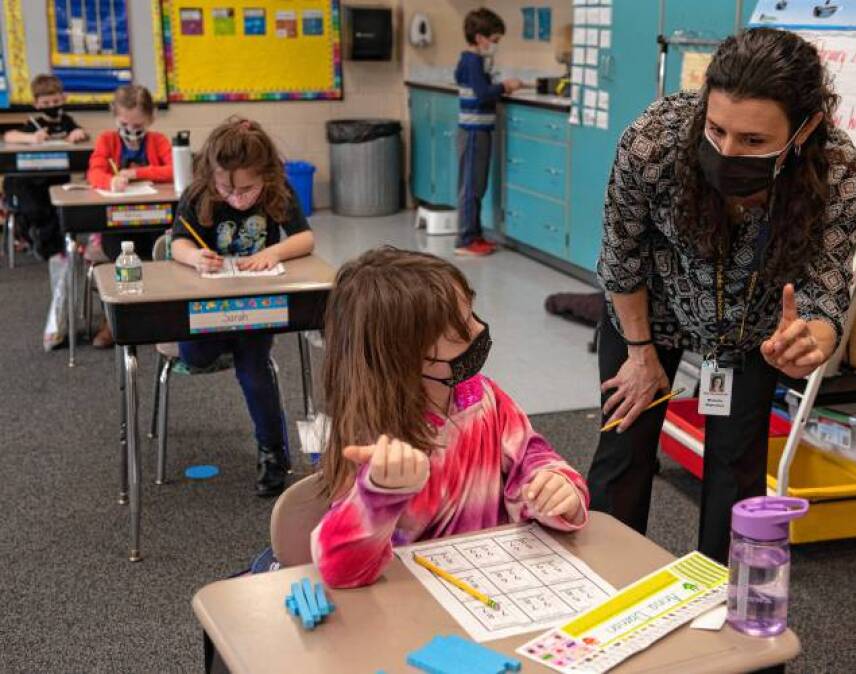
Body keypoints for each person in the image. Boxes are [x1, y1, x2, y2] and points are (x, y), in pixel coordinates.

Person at [587, 28, 856, 563]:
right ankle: (604, 589)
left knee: (737, 469)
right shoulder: (654, 141)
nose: (728, 151)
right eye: (716, 130)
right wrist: (642, 355)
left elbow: (828, 280)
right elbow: (622, 257)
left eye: (754, 142)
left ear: (806, 128)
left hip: (756, 330)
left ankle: (724, 614)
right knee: (624, 446)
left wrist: (813, 336)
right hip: (651, 309)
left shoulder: (839, 172)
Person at [306, 247, 588, 588]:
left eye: (472, 315)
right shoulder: (372, 441)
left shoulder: (484, 397)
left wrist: (556, 488)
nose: (479, 330)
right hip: (414, 604)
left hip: (495, 584)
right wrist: (378, 495)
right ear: (405, 358)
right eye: (459, 334)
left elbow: (531, 459)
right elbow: (340, 569)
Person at [171, 117, 315, 497]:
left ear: (266, 174)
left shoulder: (277, 191)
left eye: (246, 190)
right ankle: (232, 348)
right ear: (211, 176)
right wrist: (195, 257)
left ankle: (273, 453)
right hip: (207, 304)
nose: (236, 199)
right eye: (226, 190)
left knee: (254, 368)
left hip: (256, 305)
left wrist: (273, 251)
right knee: (194, 356)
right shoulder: (198, 192)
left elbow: (304, 238)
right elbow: (176, 244)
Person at [86, 84, 173, 347]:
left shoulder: (157, 141)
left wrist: (137, 173)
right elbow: (94, 173)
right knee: (119, 259)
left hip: (154, 220)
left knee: (158, 255)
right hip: (117, 224)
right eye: (125, 123)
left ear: (150, 120)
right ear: (114, 115)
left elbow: (171, 170)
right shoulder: (107, 140)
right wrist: (110, 181)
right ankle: (113, 320)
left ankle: (152, 315)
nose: (131, 131)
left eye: (138, 125)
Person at [453, 8, 522, 257]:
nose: (495, 46)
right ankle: (465, 239)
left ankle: (474, 234)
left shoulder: (472, 61)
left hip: (477, 131)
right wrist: (504, 86)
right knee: (471, 187)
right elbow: (482, 94)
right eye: (494, 41)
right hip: (473, 134)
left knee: (476, 186)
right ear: (480, 37)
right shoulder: (472, 61)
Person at [3, 74, 88, 261]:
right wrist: (31, 138)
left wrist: (77, 133)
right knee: (38, 208)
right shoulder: (36, 123)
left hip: (56, 179)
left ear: (63, 98)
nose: (52, 106)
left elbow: (81, 133)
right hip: (29, 182)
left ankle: (52, 247)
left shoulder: (66, 120)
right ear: (37, 104)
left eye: (56, 101)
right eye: (47, 103)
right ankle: (44, 244)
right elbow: (9, 136)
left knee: (58, 207)